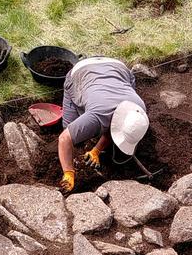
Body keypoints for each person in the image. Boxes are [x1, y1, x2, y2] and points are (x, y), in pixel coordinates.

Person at [57, 57, 150, 193]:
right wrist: (69, 172)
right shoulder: (97, 117)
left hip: (119, 69)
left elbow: (116, 125)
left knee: (101, 122)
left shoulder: (139, 109)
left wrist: (97, 150)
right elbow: (64, 138)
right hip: (81, 71)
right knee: (69, 127)